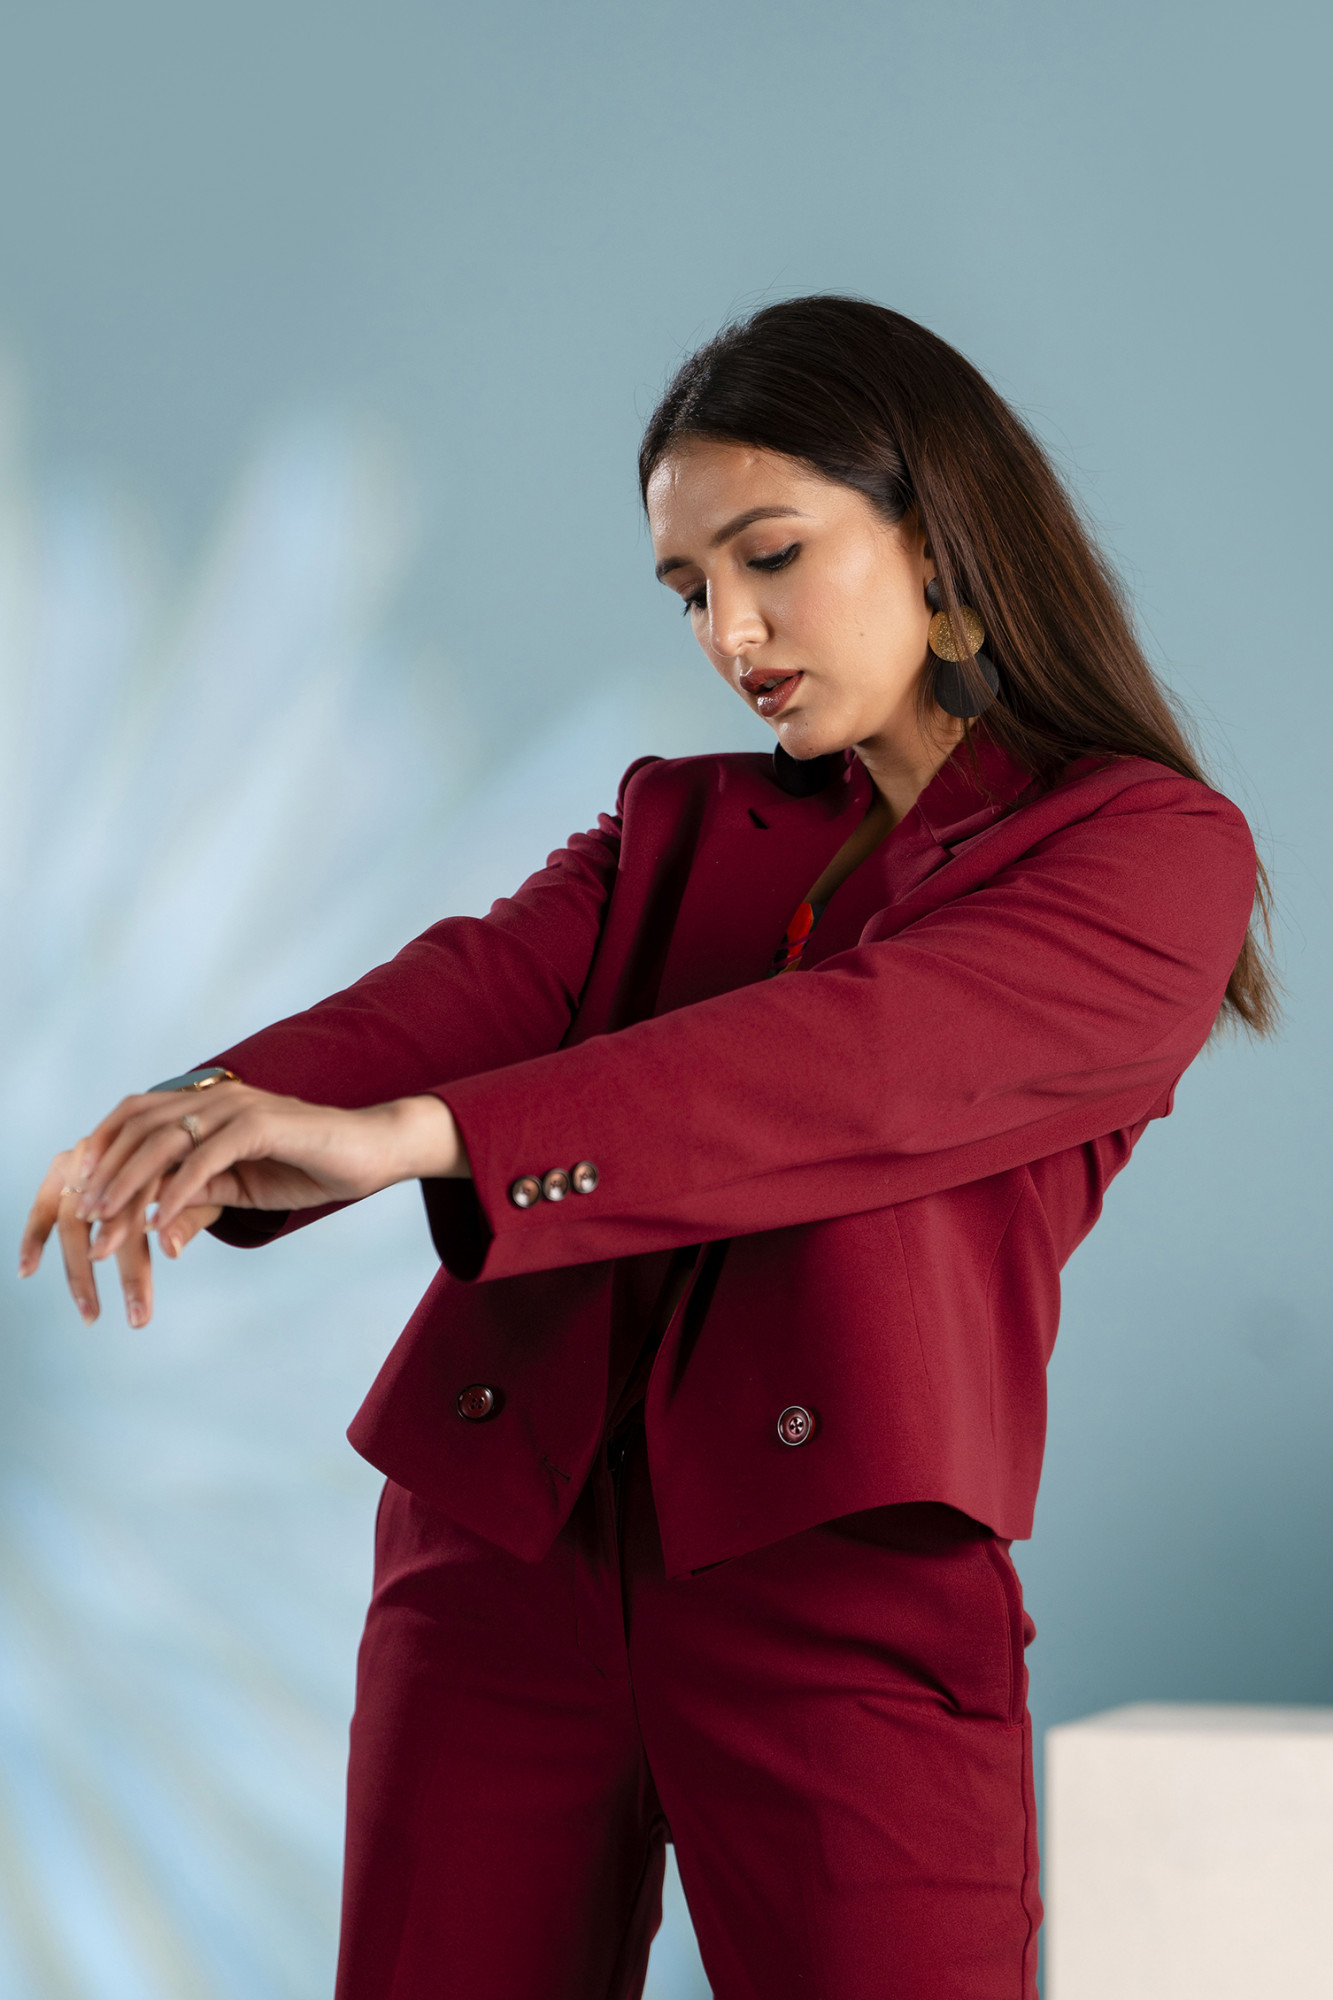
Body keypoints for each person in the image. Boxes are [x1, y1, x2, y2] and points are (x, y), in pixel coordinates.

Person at [20, 296, 1274, 2000]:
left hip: (838, 1574)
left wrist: (425, 1139)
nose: (729, 630)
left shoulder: (1145, 853)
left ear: (936, 536)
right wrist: (208, 1102)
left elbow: (856, 1064)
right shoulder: (673, 821)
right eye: (690, 589)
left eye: (772, 556)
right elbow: (475, 983)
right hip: (496, 1554)